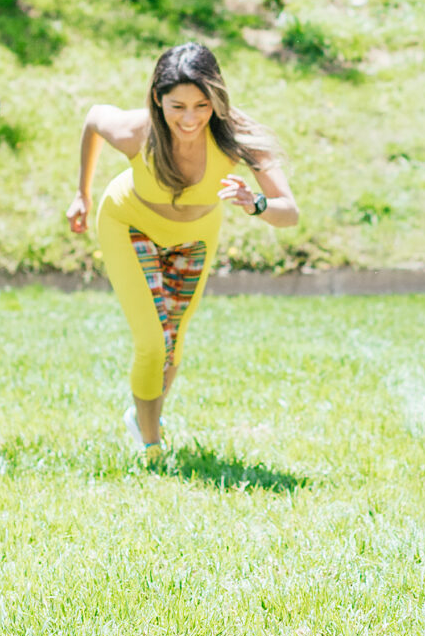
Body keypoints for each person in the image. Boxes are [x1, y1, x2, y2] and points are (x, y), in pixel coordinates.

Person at [67, 44, 298, 453]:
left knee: (173, 341)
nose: (190, 119)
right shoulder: (137, 131)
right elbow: (93, 119)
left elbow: (288, 211)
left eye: (201, 105)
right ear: (158, 99)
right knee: (153, 341)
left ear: (216, 99)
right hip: (129, 223)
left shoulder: (236, 135)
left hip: (196, 234)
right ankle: (151, 447)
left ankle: (142, 416)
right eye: (177, 106)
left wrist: (256, 204)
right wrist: (82, 194)